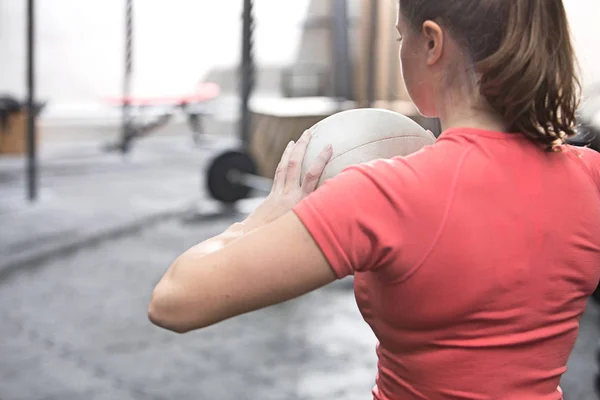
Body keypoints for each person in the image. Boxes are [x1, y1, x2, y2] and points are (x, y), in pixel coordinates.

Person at [148, 0, 600, 398]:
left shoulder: (384, 193)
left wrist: (262, 219)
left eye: (402, 37)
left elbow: (173, 300)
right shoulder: (590, 176)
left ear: (430, 43)